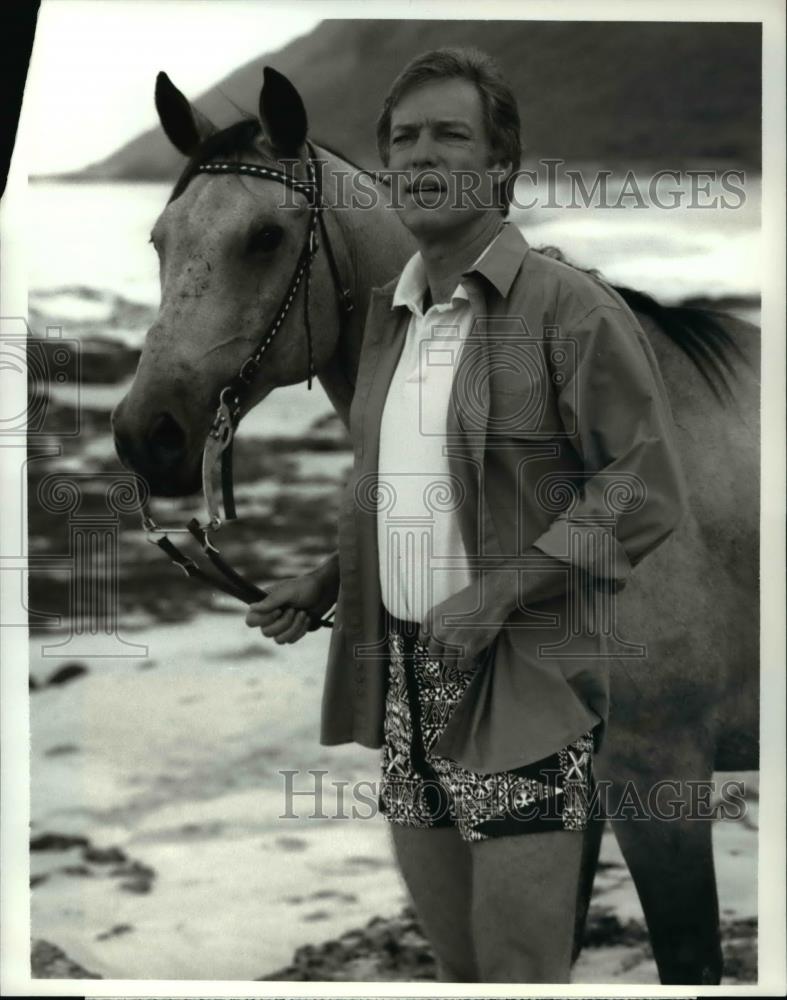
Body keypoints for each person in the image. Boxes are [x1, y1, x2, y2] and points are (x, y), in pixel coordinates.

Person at [246, 47, 687, 983]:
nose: (419, 155)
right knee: (459, 971)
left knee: (520, 970)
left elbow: (644, 488)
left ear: (499, 167)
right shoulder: (390, 315)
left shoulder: (568, 307)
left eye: (449, 134)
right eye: (402, 139)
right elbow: (393, 479)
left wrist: (500, 593)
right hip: (402, 675)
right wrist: (324, 578)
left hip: (523, 682)